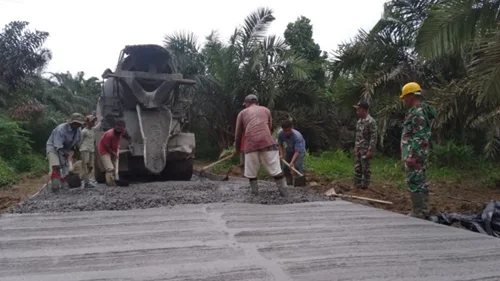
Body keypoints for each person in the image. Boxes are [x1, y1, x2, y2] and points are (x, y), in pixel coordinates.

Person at [234, 94, 288, 196]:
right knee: (276, 170)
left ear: (246, 104)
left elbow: (238, 135)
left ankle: (255, 194)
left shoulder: (242, 113)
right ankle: (285, 193)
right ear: (257, 103)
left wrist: (237, 150)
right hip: (268, 143)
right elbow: (269, 127)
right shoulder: (266, 110)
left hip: (251, 145)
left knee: (251, 172)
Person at [400, 82, 436, 219]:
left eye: (404, 98)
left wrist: (412, 156)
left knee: (415, 181)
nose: (403, 101)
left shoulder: (417, 113)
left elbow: (419, 136)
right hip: (416, 154)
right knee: (419, 180)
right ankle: (422, 209)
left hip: (415, 155)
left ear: (410, 96)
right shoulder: (417, 111)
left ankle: (419, 211)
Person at [46, 113, 85, 192]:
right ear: (71, 122)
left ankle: (65, 185)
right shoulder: (61, 129)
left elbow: (76, 144)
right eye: (75, 123)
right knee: (56, 166)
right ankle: (55, 187)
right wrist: (64, 157)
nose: (77, 125)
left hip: (66, 149)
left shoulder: (78, 131)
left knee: (66, 168)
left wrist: (72, 153)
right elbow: (58, 146)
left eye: (79, 124)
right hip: (53, 147)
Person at [97, 119, 131, 186]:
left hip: (114, 149)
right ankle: (110, 183)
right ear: (115, 126)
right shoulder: (109, 134)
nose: (119, 129)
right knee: (110, 168)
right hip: (104, 150)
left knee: (115, 168)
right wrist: (114, 153)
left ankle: (115, 180)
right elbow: (107, 147)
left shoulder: (122, 131)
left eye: (121, 128)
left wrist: (129, 138)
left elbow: (125, 135)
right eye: (118, 127)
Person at [353, 101, 377, 189]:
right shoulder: (359, 121)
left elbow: (373, 137)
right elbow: (358, 135)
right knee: (357, 168)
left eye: (358, 109)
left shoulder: (371, 122)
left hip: (366, 149)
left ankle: (366, 187)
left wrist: (370, 150)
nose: (357, 111)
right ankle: (357, 185)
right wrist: (356, 147)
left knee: (365, 168)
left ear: (363, 110)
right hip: (359, 148)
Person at [277, 120, 306, 186]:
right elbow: (280, 144)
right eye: (285, 131)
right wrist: (281, 154)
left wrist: (292, 162)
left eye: (288, 130)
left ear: (292, 128)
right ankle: (289, 182)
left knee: (297, 165)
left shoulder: (297, 136)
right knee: (285, 167)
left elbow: (297, 151)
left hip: (299, 151)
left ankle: (300, 183)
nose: (287, 132)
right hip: (290, 149)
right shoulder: (281, 134)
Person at [79, 115, 101, 188]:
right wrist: (78, 151)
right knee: (85, 165)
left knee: (91, 166)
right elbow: (80, 141)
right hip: (84, 149)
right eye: (92, 122)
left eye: (94, 122)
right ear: (88, 122)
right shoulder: (84, 131)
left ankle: (83, 178)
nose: (94, 123)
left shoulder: (92, 129)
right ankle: (86, 182)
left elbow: (97, 126)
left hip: (91, 150)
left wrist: (102, 120)